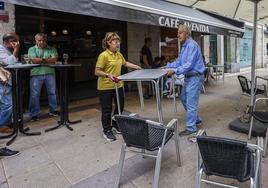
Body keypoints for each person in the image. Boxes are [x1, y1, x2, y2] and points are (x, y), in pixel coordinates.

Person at [95, 32, 141, 142]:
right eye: (115, 42)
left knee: (119, 107)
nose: (118, 44)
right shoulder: (104, 55)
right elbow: (96, 71)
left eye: (118, 41)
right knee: (107, 110)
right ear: (108, 43)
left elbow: (125, 63)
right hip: (105, 87)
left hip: (118, 85)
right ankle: (107, 130)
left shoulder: (118, 54)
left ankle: (115, 125)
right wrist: (107, 74)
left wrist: (136, 67)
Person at [166, 25, 205, 136]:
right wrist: (167, 65)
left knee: (191, 103)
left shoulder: (192, 45)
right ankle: (196, 119)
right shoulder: (184, 46)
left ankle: (191, 128)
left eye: (180, 33)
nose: (178, 35)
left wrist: (174, 71)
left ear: (187, 34)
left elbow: (189, 64)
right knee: (183, 98)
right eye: (178, 33)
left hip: (195, 77)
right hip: (189, 77)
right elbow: (180, 62)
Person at [28, 33, 59, 121]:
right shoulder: (31, 49)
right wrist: (46, 60)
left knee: (52, 93)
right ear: (35, 40)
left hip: (50, 73)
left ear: (46, 40)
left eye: (44, 40)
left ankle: (53, 110)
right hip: (36, 74)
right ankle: (34, 114)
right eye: (39, 40)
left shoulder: (52, 48)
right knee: (34, 95)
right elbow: (33, 60)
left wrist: (41, 60)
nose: (42, 42)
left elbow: (54, 60)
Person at [0, 33, 20, 133]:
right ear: (7, 42)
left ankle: (6, 123)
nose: (17, 43)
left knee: (8, 103)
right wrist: (16, 49)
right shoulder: (0, 49)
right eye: (14, 41)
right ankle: (2, 125)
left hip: (7, 81)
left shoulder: (7, 50)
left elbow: (14, 62)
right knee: (7, 104)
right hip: (3, 81)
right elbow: (10, 62)